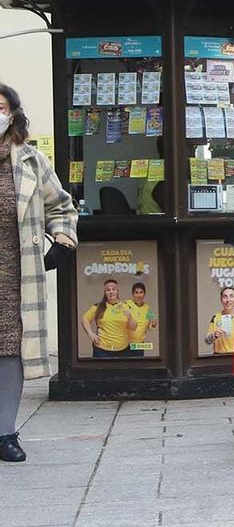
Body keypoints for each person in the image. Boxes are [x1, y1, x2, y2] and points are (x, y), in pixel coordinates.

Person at [0, 84, 78, 464]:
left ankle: (5, 432)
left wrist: (62, 238)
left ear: (13, 113)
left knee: (9, 350)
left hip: (15, 274)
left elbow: (61, 205)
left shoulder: (31, 160)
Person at [83, 279, 136, 358]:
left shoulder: (127, 306)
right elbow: (85, 319)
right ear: (105, 293)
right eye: (108, 290)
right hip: (101, 350)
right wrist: (90, 334)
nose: (111, 292)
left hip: (123, 350)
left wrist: (130, 317)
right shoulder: (98, 307)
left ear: (117, 291)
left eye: (113, 289)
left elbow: (133, 327)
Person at [204, 286, 234, 357]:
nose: (228, 300)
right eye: (225, 296)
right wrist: (214, 335)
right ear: (221, 299)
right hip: (218, 357)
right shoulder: (216, 317)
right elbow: (207, 341)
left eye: (231, 296)